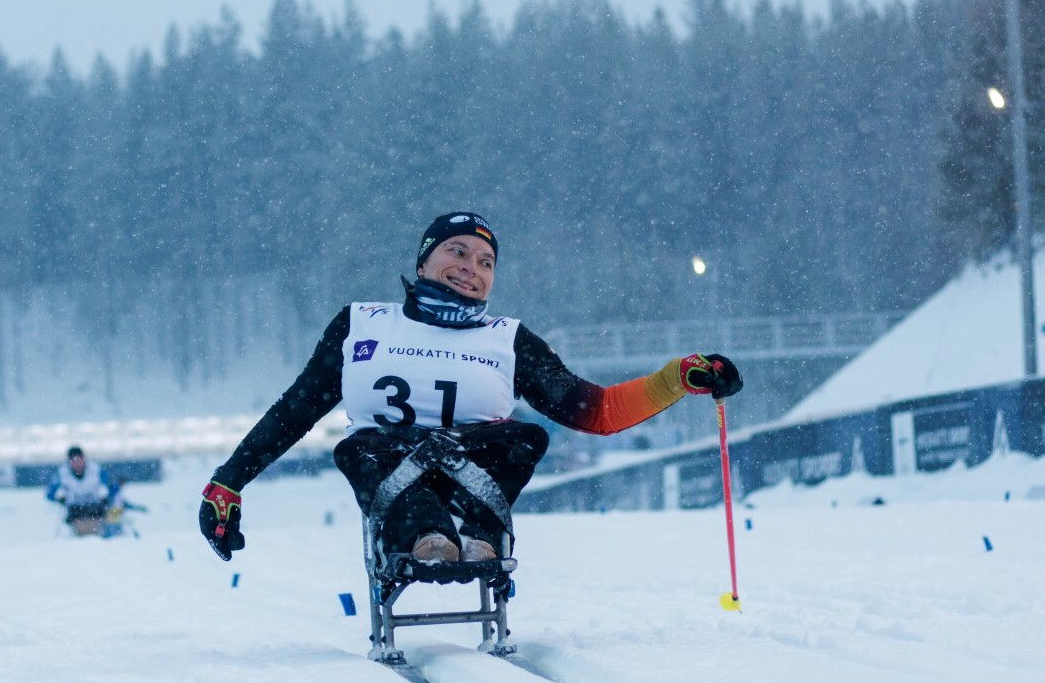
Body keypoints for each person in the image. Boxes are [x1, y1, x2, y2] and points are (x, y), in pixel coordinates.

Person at [199, 212, 742, 563]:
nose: (472, 268)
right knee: (357, 447)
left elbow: (595, 411)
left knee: (525, 436)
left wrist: (677, 379)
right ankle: (426, 540)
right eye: (456, 252)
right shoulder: (361, 323)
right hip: (386, 463)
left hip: (474, 469)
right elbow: (295, 410)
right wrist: (228, 482)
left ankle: (482, 540)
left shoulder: (509, 339)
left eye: (486, 262)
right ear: (423, 261)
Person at [46, 446, 123, 536]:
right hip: (75, 510)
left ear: (83, 459)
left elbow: (113, 486)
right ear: (69, 462)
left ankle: (111, 532)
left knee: (115, 508)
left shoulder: (95, 469)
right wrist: (59, 498)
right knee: (83, 531)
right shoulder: (62, 473)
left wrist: (107, 497)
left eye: (79, 459)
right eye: (74, 461)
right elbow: (49, 493)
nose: (77, 463)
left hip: (95, 507)